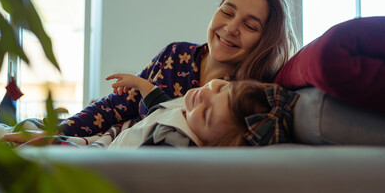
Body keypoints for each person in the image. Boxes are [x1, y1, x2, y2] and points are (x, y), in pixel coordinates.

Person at [0, 0, 299, 144]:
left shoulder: (246, 97)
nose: (231, 28)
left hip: (121, 146)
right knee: (21, 127)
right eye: (227, 11)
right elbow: (113, 107)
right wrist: (59, 131)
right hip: (106, 133)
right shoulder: (176, 55)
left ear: (266, 40)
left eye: (250, 26)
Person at [106, 73, 299, 147]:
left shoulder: (174, 141)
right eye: (221, 88)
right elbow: (163, 104)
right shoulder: (189, 108)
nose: (205, 95)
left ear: (209, 145)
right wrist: (139, 83)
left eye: (207, 113)